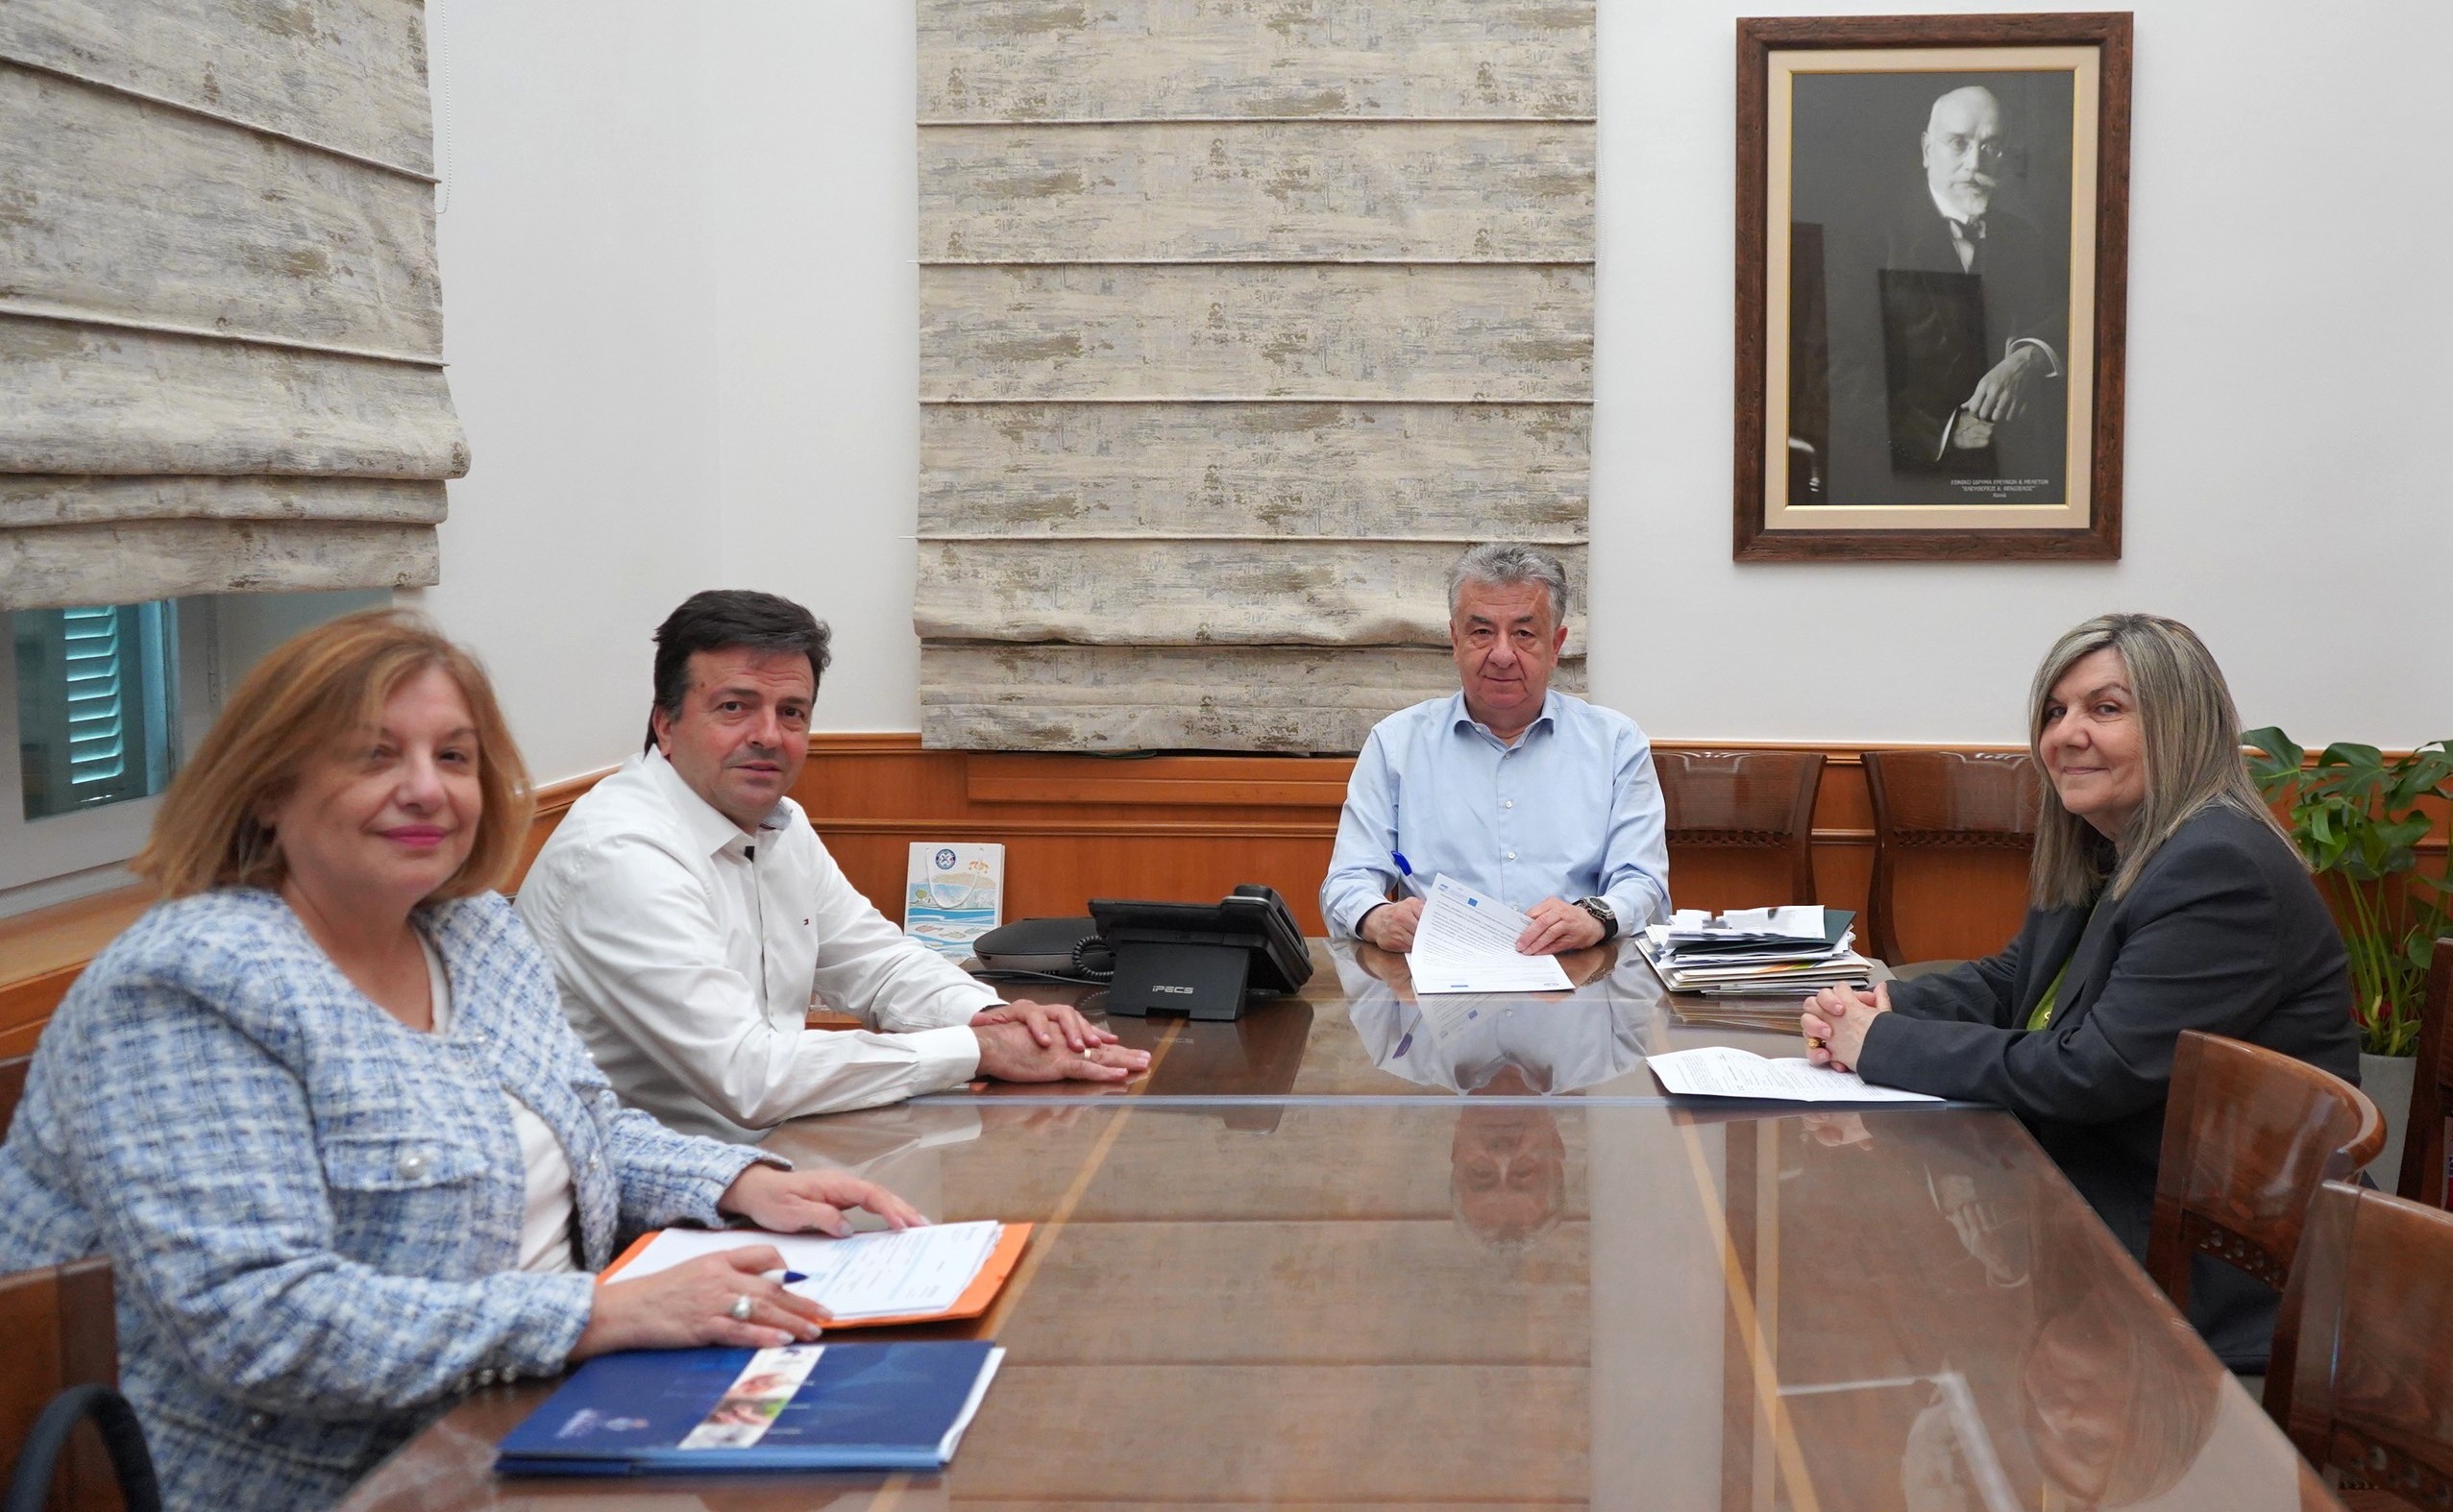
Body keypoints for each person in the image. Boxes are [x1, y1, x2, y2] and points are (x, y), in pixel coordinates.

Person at [0, 610, 925, 1511]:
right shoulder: (188, 985)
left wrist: (739, 1182)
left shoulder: (473, 929)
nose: (426, 789)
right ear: (268, 790)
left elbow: (588, 1123)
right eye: (375, 756)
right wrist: (598, 1316)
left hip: (550, 1405)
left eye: (453, 757)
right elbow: (262, 1321)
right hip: (344, 1473)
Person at [1801, 613, 2357, 1369]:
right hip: (2096, 1193)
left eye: (2105, 708)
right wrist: (1886, 1004)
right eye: (2054, 711)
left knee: (1870, 1276)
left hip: (2202, 1262)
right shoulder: (2112, 843)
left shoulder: (2218, 869)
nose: (2066, 735)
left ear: (2181, 726)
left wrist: (1881, 1045)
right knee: (1858, 1247)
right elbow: (2016, 983)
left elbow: (2090, 1071)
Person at [518, 591, 1148, 1142]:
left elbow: (878, 964)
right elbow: (750, 1076)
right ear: (666, 724)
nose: (769, 735)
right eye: (734, 707)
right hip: (635, 1194)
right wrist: (978, 1049)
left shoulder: (778, 823)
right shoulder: (621, 856)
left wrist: (987, 1016)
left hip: (776, 1154)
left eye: (791, 712)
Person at [1319, 543, 1670, 956]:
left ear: (1556, 646)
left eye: (1524, 634)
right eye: (1482, 632)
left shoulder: (1617, 744)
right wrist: (1378, 916)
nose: (1502, 655)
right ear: (1455, 641)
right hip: (1439, 977)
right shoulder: (1396, 744)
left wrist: (1595, 917)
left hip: (1578, 975)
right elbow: (1347, 880)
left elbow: (1643, 882)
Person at [1807, 82, 2070, 503]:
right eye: (1958, 143)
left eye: (1990, 146)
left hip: (2006, 473)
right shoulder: (1863, 238)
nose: (1974, 163)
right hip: (1898, 472)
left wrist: (2031, 355)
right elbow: (1833, 371)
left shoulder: (2022, 238)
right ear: (1928, 150)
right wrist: (1946, 431)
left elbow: (2081, 312)